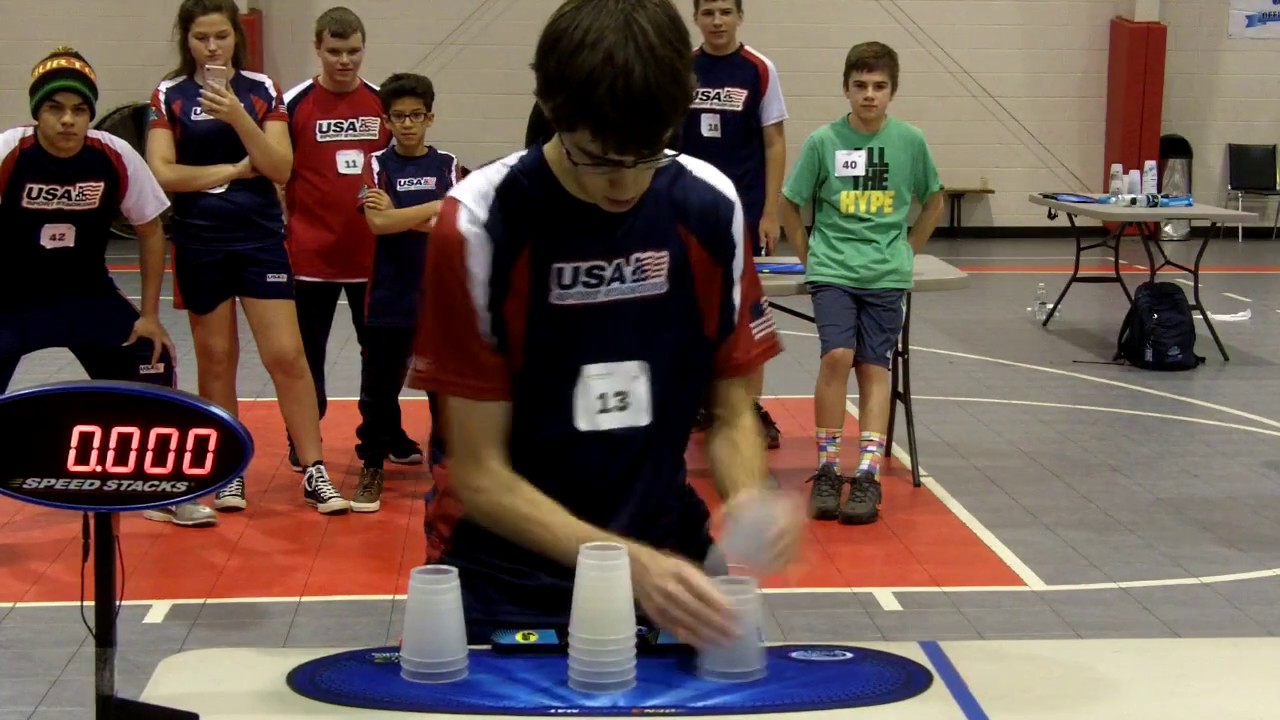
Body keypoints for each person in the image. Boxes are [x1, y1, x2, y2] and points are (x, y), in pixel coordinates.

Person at [407, 0, 802, 647]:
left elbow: (733, 415)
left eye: (647, 154)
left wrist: (751, 496)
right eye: (598, 157)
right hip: (509, 575)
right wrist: (626, 566)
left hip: (669, 563)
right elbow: (476, 472)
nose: (624, 185)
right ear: (555, 113)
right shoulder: (481, 223)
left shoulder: (708, 206)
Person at [146, 0, 349, 515]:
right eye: (200, 38)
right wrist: (234, 171)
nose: (211, 47)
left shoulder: (261, 90)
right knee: (216, 360)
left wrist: (238, 117)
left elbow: (280, 166)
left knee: (286, 354)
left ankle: (314, 468)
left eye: (220, 36)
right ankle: (230, 470)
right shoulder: (169, 94)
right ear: (186, 41)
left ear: (236, 36)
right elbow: (163, 175)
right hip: (199, 239)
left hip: (258, 237)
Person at [0, 47, 206, 526]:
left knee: (151, 359)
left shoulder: (114, 155)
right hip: (13, 301)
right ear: (37, 113)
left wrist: (150, 315)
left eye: (79, 110)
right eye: (56, 109)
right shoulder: (9, 151)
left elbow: (152, 228)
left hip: (87, 297)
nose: (68, 120)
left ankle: (159, 486)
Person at [779, 41, 943, 525]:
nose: (869, 95)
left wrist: (908, 248)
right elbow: (791, 201)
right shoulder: (822, 142)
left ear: (892, 91)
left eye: (879, 86)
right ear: (846, 88)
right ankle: (828, 470)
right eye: (860, 86)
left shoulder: (910, 141)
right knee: (836, 356)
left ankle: (866, 476)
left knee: (874, 368)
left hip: (885, 273)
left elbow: (933, 198)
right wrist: (808, 256)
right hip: (834, 270)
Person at [282, 8, 426, 472]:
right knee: (309, 356)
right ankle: (302, 438)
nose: (345, 60)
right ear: (318, 49)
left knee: (383, 361)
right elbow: (275, 168)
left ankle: (387, 431)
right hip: (310, 256)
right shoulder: (293, 103)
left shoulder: (383, 103)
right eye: (335, 51)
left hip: (373, 259)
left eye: (354, 51)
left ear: (364, 49)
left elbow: (403, 164)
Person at [680, 0, 786, 448]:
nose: (717, 21)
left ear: (739, 15)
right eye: (709, 13)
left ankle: (747, 407)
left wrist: (770, 211)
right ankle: (699, 401)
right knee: (692, 314)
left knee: (747, 315)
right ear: (697, 17)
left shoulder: (759, 69)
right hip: (690, 212)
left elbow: (775, 143)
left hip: (743, 213)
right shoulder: (681, 68)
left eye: (726, 11)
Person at [352, 72, 460, 512]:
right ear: (388, 121)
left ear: (430, 118)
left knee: (443, 391)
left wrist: (407, 214)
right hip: (388, 297)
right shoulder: (377, 164)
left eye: (416, 115)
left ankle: (448, 473)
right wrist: (432, 208)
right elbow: (377, 223)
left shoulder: (448, 164)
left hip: (437, 299)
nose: (408, 124)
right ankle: (372, 466)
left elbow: (451, 225)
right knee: (378, 389)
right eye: (399, 117)